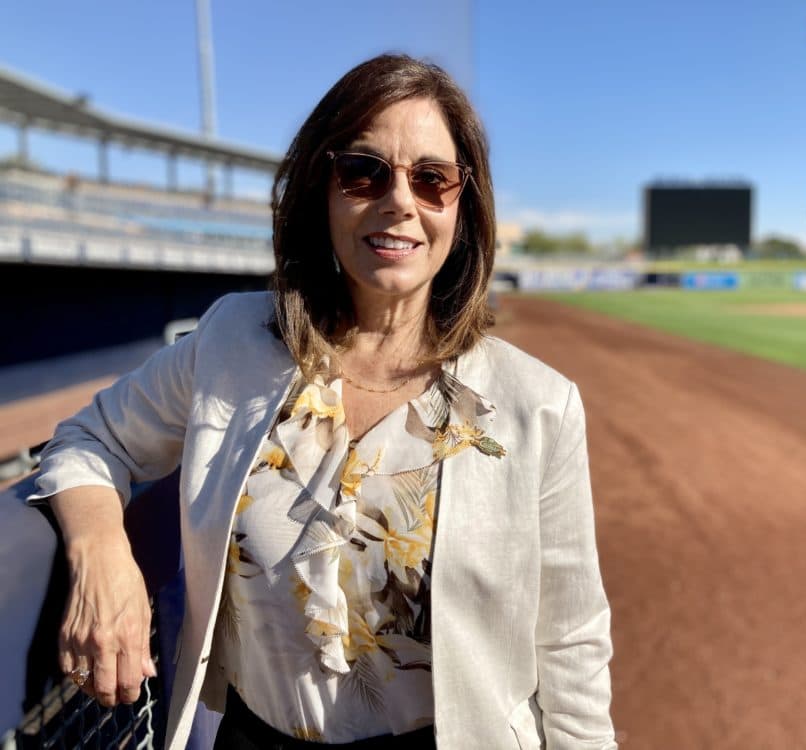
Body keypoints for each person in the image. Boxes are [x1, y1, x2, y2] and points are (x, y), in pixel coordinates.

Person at [29, 54, 616, 750]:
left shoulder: (539, 405)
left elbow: (571, 641)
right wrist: (101, 551)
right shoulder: (231, 341)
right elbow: (87, 440)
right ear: (322, 189)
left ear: (464, 204)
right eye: (363, 170)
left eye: (432, 179)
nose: (399, 199)